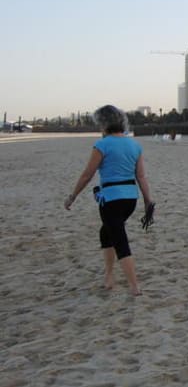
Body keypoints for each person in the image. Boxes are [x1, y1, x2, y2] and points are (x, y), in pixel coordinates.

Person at [65, 105, 155, 295]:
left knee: (119, 238)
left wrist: (73, 196)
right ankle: (109, 276)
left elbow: (87, 175)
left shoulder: (102, 145)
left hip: (111, 200)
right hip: (130, 199)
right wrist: (148, 200)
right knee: (106, 233)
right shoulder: (134, 145)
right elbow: (142, 177)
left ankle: (134, 286)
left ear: (104, 123)